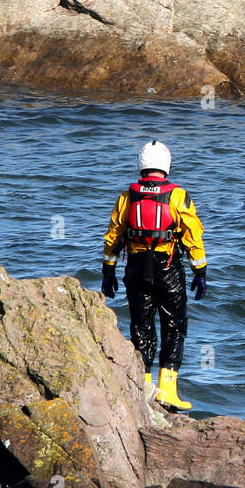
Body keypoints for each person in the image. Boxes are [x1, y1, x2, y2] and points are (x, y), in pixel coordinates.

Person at [101, 141, 207, 411]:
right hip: (167, 268)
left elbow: (113, 236)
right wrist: (200, 272)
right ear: (166, 165)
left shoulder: (127, 197)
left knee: (141, 326)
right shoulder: (178, 196)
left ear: (142, 165)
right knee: (174, 325)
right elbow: (193, 235)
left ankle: (143, 387)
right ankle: (167, 392)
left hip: (136, 269)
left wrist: (108, 272)